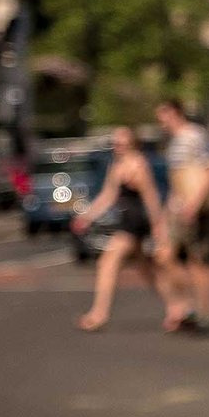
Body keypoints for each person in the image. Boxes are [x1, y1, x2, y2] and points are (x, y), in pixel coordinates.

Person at [70, 127, 183, 332]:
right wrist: (87, 216)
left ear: (132, 143)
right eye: (115, 143)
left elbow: (150, 196)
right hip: (127, 219)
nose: (117, 147)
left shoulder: (137, 164)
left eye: (121, 143)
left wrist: (158, 225)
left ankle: (99, 313)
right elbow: (109, 194)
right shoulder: (117, 165)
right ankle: (176, 307)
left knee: (108, 262)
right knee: (146, 269)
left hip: (136, 221)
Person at [155, 99, 209, 331]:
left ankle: (204, 313)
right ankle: (185, 306)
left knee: (196, 261)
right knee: (165, 256)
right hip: (179, 206)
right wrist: (165, 215)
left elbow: (208, 171)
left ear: (175, 113)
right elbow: (176, 182)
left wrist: (194, 204)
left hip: (195, 207)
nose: (161, 121)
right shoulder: (173, 142)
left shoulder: (194, 135)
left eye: (163, 115)